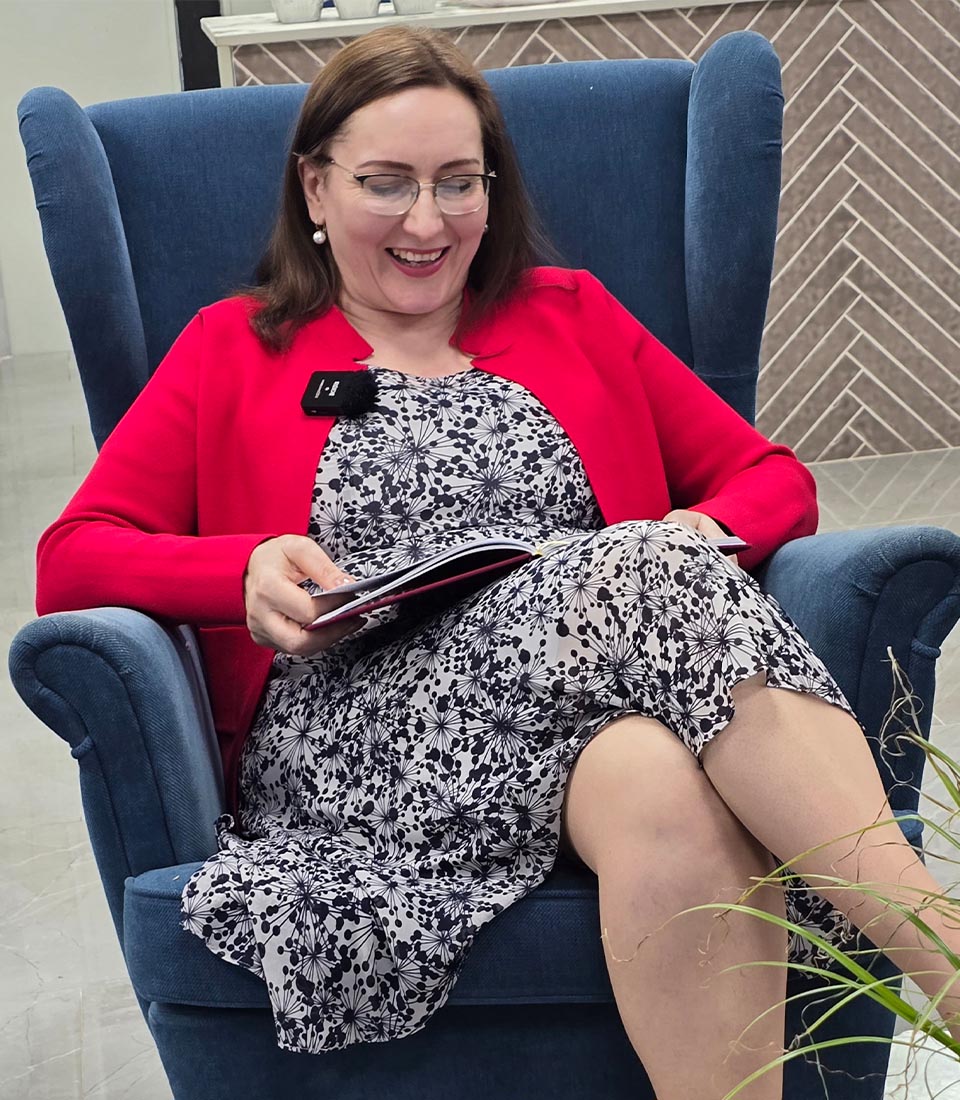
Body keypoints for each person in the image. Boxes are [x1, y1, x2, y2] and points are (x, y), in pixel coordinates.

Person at [34, 25, 960, 1100]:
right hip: (358, 743)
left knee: (662, 776)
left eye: (457, 183)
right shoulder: (234, 345)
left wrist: (695, 535)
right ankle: (942, 965)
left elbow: (771, 479)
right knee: (637, 573)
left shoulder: (570, 314)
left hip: (586, 709)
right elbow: (70, 558)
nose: (428, 221)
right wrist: (236, 572)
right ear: (316, 191)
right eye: (387, 183)